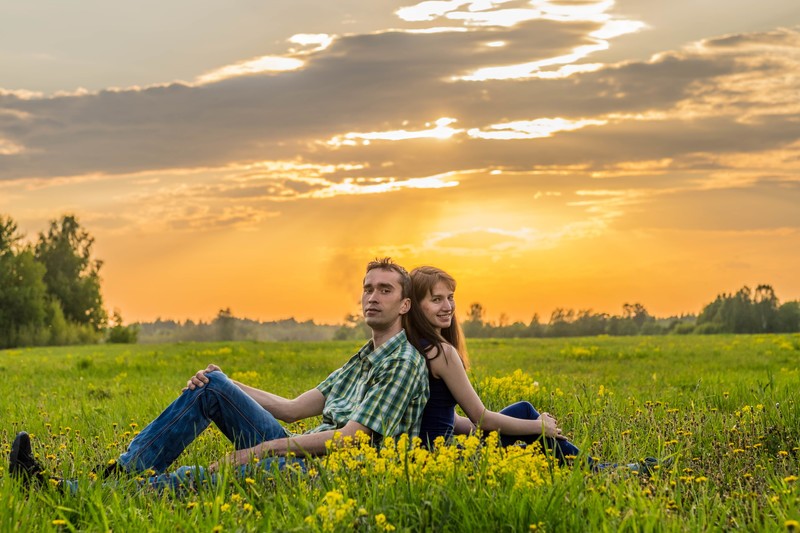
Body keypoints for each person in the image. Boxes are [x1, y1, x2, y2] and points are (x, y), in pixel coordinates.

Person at [9, 258, 430, 490]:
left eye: (385, 290)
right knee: (210, 386)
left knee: (207, 476)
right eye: (367, 288)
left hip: (330, 474)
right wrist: (225, 381)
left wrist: (263, 450)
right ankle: (123, 471)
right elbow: (291, 409)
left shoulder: (402, 362)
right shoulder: (363, 357)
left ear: (404, 305)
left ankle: (67, 491)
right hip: (305, 453)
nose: (372, 297)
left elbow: (350, 438)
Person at [403, 265, 579, 463]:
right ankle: (594, 468)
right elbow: (482, 419)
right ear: (415, 306)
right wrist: (540, 427)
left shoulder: (413, 347)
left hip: (428, 457)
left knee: (524, 426)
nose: (448, 307)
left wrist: (521, 429)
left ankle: (585, 465)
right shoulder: (441, 353)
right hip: (447, 461)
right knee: (525, 412)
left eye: (450, 297)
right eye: (436, 299)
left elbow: (453, 421)